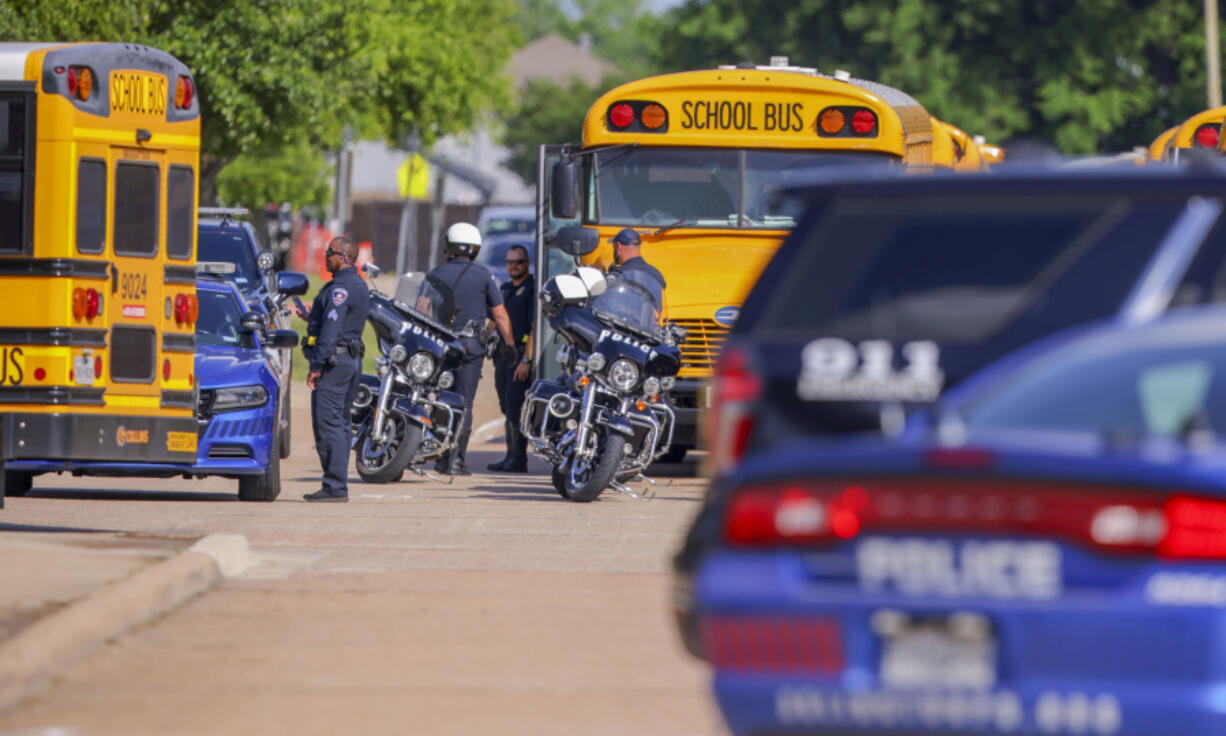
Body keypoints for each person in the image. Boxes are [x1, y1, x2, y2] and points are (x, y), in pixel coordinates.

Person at [428, 223, 516, 476]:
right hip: (470, 347)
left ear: (449, 246)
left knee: (442, 398)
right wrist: (509, 345)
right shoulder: (485, 275)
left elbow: (421, 308)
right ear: (475, 248)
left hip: (441, 346)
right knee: (463, 401)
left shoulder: (435, 274)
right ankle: (456, 460)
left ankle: (442, 456)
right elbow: (499, 314)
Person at [297, 237, 370, 502]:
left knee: (328, 425)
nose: (326, 257)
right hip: (350, 361)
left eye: (330, 253)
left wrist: (317, 365)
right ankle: (335, 485)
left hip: (334, 364)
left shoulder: (340, 288)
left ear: (344, 257)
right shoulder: (358, 285)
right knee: (340, 424)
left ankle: (334, 487)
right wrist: (311, 315)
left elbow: (331, 329)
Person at [487, 244, 535, 473]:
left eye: (519, 261)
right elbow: (492, 320)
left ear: (527, 263)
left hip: (520, 354)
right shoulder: (504, 289)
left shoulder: (531, 289)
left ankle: (518, 459)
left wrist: (526, 360)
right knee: (506, 406)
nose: (514, 266)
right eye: (510, 262)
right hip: (503, 356)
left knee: (515, 407)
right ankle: (510, 456)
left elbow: (536, 328)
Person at [607, 227, 666, 309]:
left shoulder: (619, 276)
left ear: (619, 246)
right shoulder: (656, 274)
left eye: (614, 246)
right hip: (651, 321)